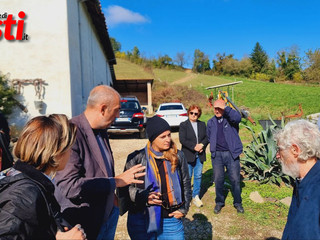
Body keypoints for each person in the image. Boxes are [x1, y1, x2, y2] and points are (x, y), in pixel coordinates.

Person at [54, 85, 146, 240]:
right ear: (103, 109)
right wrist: (116, 182)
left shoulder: (102, 129)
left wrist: (113, 201)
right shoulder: (72, 133)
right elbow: (70, 186)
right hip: (84, 223)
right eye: (116, 110)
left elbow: (102, 169)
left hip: (107, 215)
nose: (118, 115)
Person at [0, 114, 86, 240]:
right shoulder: (24, 194)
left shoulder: (26, 180)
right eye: (69, 148)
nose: (70, 153)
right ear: (57, 152)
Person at [118, 116, 192, 240]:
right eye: (163, 137)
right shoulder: (136, 158)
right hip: (141, 218)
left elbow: (186, 184)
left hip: (170, 219)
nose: (168, 139)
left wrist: (184, 209)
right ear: (152, 138)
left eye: (169, 135)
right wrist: (145, 197)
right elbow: (126, 188)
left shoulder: (178, 156)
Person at [275, 119, 320, 239]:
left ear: (295, 150)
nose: (278, 155)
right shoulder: (302, 180)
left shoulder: (317, 189)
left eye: (280, 149)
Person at [207, 99, 244, 214]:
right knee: (218, 179)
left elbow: (238, 118)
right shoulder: (210, 122)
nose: (217, 110)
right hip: (217, 154)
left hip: (231, 153)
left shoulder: (231, 119)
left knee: (235, 179)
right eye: (215, 108)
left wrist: (226, 107)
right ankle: (219, 202)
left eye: (219, 108)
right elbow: (209, 136)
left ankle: (238, 203)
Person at [179, 105, 208, 207]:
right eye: (192, 113)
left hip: (200, 154)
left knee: (198, 176)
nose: (194, 115)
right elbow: (182, 140)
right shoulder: (183, 125)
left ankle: (196, 196)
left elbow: (207, 137)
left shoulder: (202, 124)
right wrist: (194, 147)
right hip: (188, 155)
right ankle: (186, 197)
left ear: (198, 114)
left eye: (196, 113)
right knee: (187, 177)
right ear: (188, 113)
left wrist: (202, 145)